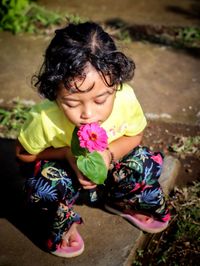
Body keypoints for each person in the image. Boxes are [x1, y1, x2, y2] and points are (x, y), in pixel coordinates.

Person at [16, 22, 171, 258]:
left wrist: (109, 154)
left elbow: (135, 135)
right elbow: (22, 153)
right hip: (66, 173)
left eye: (100, 100)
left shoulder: (125, 99)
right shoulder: (44, 118)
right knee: (42, 187)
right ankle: (63, 224)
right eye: (71, 103)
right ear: (53, 93)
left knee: (144, 162)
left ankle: (122, 201)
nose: (88, 114)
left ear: (116, 83)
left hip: (110, 166)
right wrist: (67, 154)